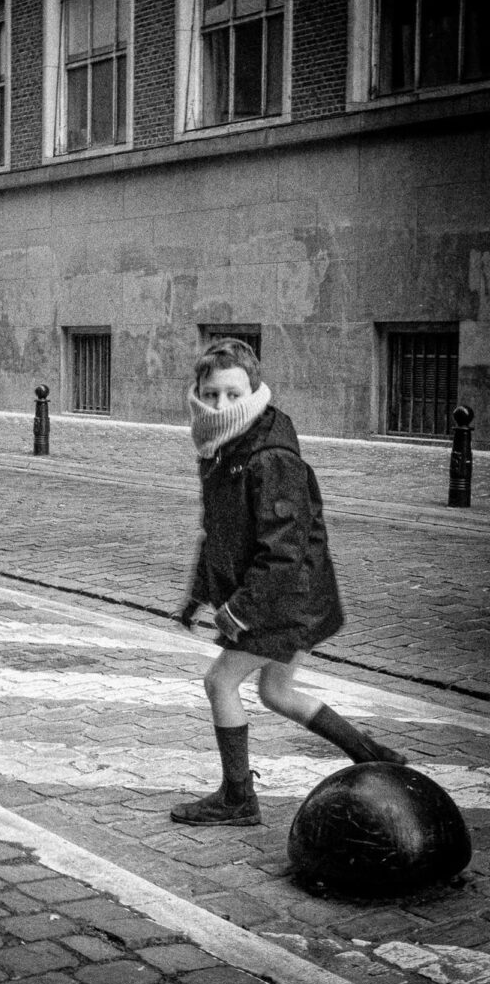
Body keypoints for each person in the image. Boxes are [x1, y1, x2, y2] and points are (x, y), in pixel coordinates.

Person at [171, 338, 406, 827]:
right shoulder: (221, 447)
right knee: (277, 692)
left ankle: (238, 799)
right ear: (198, 392)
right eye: (211, 394)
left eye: (233, 394)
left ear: (254, 392)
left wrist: (240, 610)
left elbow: (284, 549)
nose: (221, 405)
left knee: (220, 681)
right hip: (289, 596)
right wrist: (198, 594)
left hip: (284, 599)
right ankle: (374, 756)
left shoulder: (269, 456)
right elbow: (217, 532)